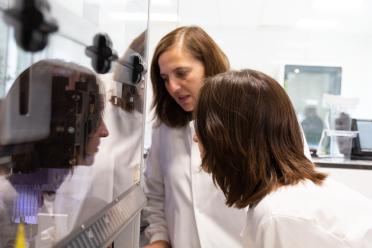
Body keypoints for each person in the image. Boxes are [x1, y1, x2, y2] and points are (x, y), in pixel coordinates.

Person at [193, 69, 372, 248]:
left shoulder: (279, 215)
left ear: (226, 136)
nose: (195, 137)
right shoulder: (287, 197)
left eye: (200, 126)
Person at [142, 26, 246, 248]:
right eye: (164, 78)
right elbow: (156, 195)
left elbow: (285, 198)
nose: (172, 87)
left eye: (181, 73)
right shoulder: (165, 127)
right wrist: (159, 239)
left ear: (209, 67)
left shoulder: (251, 117)